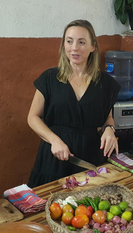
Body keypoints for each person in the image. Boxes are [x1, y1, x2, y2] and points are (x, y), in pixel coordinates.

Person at [27, 19, 120, 187]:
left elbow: (108, 118)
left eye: (81, 42)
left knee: (89, 207)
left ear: (93, 46)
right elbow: (33, 117)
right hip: (54, 156)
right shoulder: (49, 78)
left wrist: (109, 130)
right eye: (69, 41)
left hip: (90, 155)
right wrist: (54, 140)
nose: (74, 48)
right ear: (64, 45)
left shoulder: (105, 83)